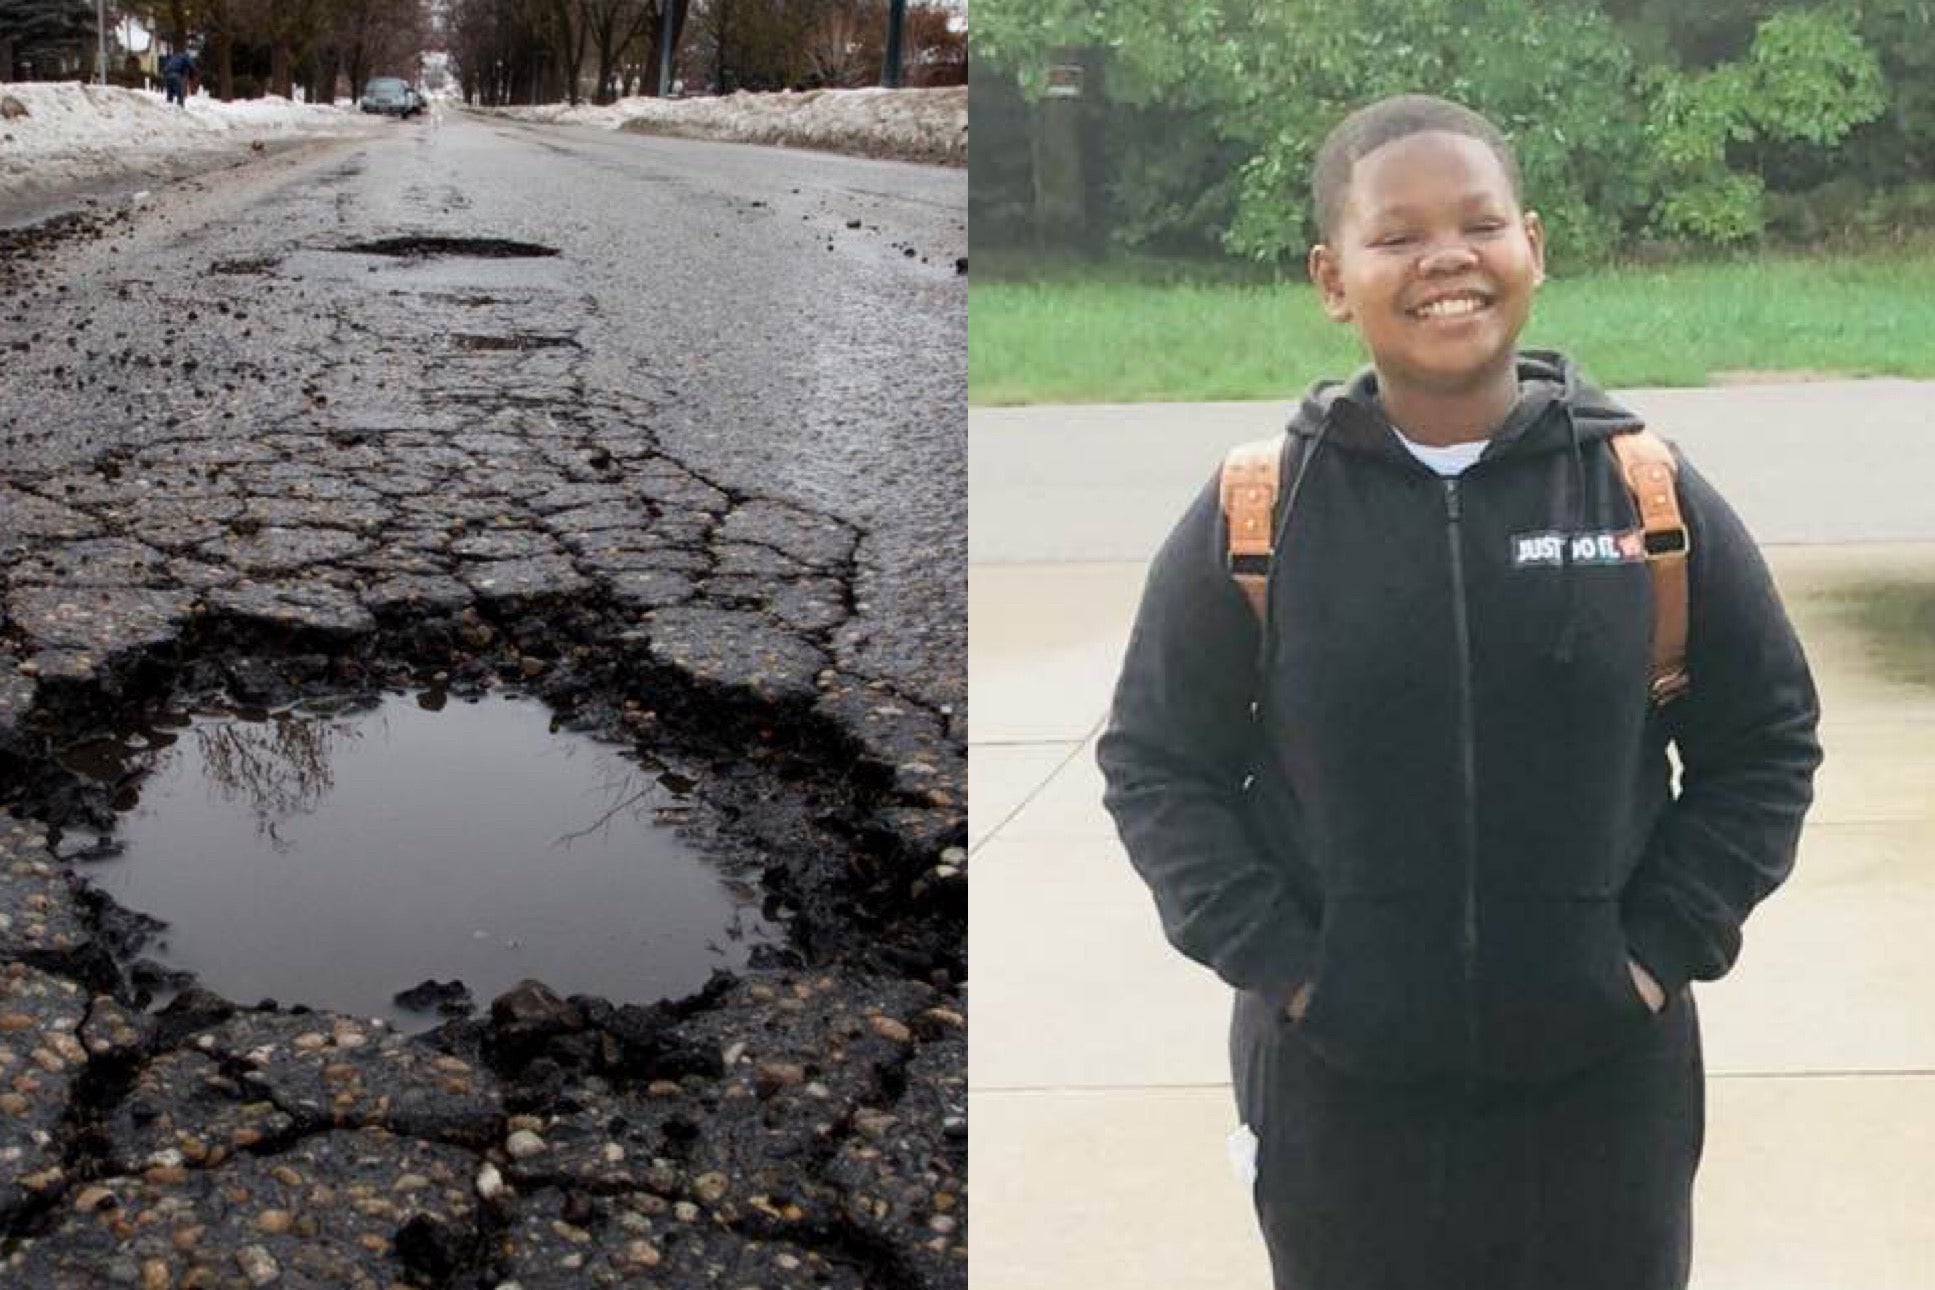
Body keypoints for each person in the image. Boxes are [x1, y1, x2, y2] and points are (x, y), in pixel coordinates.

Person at [1096, 94, 1822, 1290]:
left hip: (1607, 1092)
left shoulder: (1646, 494)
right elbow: (1156, 765)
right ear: (1334, 277)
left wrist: (1652, 955)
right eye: (1397, 235)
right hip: (1340, 1095)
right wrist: (1291, 968)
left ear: (1533, 244)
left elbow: (1767, 744)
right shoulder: (1259, 511)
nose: (1446, 258)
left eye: (1480, 224)